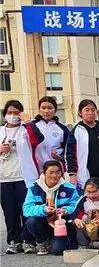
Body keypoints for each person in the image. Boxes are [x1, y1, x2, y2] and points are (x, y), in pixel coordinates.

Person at [1, 100, 40, 253]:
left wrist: (29, 122)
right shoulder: (0, 131)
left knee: (27, 211)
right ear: (4, 114)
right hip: (4, 178)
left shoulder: (26, 129)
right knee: (10, 213)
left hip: (24, 178)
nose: (12, 115)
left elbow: (38, 139)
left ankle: (29, 241)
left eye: (16, 113)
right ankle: (14, 241)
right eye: (9, 112)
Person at [23, 160, 80, 255]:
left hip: (62, 223)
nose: (55, 176)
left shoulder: (69, 188)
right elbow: (27, 209)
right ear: (44, 173)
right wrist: (44, 210)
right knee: (32, 221)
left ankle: (56, 242)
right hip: (43, 223)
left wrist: (65, 210)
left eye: (58, 172)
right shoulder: (34, 188)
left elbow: (76, 206)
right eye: (51, 172)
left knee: (58, 251)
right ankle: (42, 242)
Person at [66, 99, 99, 192]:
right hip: (86, 176)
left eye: (93, 110)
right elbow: (70, 154)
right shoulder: (77, 131)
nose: (90, 113)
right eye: (87, 110)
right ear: (80, 112)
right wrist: (72, 174)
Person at [29, 96, 70, 179]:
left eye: (50, 108)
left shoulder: (62, 129)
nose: (46, 111)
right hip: (35, 170)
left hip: (55, 171)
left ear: (55, 110)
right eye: (43, 108)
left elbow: (68, 151)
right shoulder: (32, 126)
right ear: (39, 109)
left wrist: (59, 157)